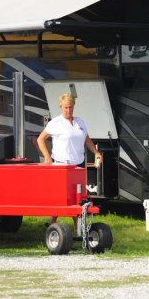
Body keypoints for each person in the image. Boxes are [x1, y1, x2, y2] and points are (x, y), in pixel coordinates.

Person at [37, 92, 102, 224]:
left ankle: (69, 225)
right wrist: (47, 157)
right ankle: (59, 224)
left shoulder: (80, 121)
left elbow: (86, 139)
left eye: (70, 107)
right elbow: (40, 139)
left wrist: (96, 152)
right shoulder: (56, 123)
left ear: (74, 107)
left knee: (77, 197)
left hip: (78, 164)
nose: (68, 110)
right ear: (61, 107)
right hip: (62, 165)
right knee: (62, 197)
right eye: (65, 107)